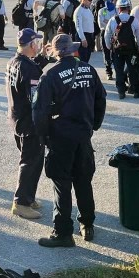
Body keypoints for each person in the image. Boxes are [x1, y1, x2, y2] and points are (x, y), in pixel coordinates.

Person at [33, 34, 106, 247]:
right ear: (72, 50)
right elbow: (101, 99)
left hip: (60, 138)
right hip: (83, 137)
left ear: (56, 52)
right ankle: (87, 224)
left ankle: (63, 233)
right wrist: (93, 125)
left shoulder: (51, 75)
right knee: (84, 181)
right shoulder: (88, 69)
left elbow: (39, 113)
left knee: (61, 185)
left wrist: (44, 137)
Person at [6, 29, 45, 219]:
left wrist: (43, 60)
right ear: (31, 45)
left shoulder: (14, 61)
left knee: (33, 159)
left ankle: (28, 197)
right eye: (36, 43)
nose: (38, 46)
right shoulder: (29, 69)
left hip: (16, 118)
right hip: (28, 122)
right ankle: (20, 202)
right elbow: (34, 99)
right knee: (30, 161)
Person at [105, 0, 139, 99]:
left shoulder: (113, 20)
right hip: (131, 50)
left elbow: (107, 35)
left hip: (117, 50)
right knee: (133, 70)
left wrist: (109, 46)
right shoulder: (133, 20)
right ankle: (136, 91)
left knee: (119, 71)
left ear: (118, 8)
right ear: (128, 8)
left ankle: (121, 92)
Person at [96, 0, 116, 80]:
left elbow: (119, 22)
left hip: (115, 33)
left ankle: (117, 70)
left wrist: (107, 21)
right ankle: (109, 71)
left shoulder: (117, 10)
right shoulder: (102, 11)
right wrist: (112, 22)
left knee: (116, 52)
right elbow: (101, 23)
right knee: (106, 52)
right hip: (104, 32)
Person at [73, 0, 96, 64]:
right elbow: (78, 26)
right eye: (89, 0)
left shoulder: (87, 9)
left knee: (87, 58)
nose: (91, 2)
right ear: (83, 0)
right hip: (83, 36)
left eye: (91, 0)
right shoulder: (79, 11)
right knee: (83, 59)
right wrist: (83, 39)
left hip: (89, 36)